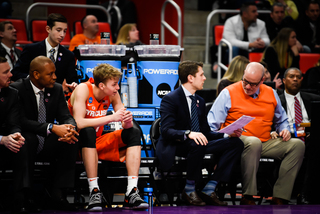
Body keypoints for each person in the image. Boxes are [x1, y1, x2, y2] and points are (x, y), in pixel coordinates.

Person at [207, 62, 305, 205]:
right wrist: (225, 136)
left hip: (264, 141)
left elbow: (281, 119)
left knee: (297, 145)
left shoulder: (271, 93)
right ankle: (248, 195)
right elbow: (212, 125)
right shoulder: (228, 92)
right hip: (238, 141)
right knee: (253, 142)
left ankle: (280, 196)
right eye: (245, 81)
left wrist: (284, 129)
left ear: (262, 81)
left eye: (253, 84)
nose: (247, 87)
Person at [157, 61, 243, 206]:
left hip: (198, 143)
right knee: (197, 142)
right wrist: (188, 133)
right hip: (176, 144)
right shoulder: (170, 99)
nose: (204, 78)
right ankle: (189, 189)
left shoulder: (200, 101)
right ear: (190, 78)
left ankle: (210, 187)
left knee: (236, 143)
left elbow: (205, 133)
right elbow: (166, 131)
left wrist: (227, 134)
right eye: (201, 75)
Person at [68, 63, 148, 211]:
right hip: (75, 143)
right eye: (115, 84)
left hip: (97, 142)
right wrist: (111, 118)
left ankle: (132, 191)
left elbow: (125, 125)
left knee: (134, 132)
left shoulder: (113, 94)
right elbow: (78, 122)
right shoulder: (83, 89)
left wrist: (128, 121)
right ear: (102, 86)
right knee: (88, 131)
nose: (118, 88)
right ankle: (94, 191)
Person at [10, 56, 79, 212]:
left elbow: (65, 115)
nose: (55, 77)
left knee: (70, 140)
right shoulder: (17, 89)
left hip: (46, 140)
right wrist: (51, 127)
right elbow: (20, 121)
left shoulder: (55, 89)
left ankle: (58, 194)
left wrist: (70, 128)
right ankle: (23, 197)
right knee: (26, 140)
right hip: (28, 137)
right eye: (50, 74)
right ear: (36, 75)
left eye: (54, 73)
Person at [279, 67, 320, 204]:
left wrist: (311, 133)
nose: (295, 79)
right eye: (291, 76)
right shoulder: (276, 101)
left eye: (298, 76)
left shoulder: (314, 99)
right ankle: (302, 193)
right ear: (284, 80)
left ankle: (306, 192)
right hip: (286, 138)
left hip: (310, 138)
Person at [11, 13, 78, 91]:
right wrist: (34, 79)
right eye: (58, 30)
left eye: (65, 31)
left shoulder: (68, 55)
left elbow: (72, 80)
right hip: (31, 93)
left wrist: (73, 84)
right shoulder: (31, 49)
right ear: (48, 29)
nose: (62, 35)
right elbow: (16, 73)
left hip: (55, 96)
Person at [0, 57, 27, 213]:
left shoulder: (11, 93)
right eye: (5, 72)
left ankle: (19, 201)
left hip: (4, 142)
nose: (11, 75)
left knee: (21, 146)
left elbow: (13, 123)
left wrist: (16, 135)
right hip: (1, 140)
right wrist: (2, 139)